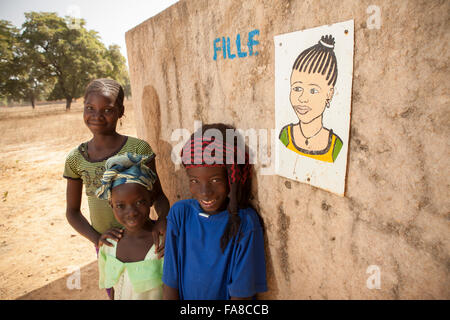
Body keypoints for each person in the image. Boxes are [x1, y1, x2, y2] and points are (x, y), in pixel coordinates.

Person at [63, 79, 169, 296]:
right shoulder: (76, 158)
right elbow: (72, 212)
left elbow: (158, 196)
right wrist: (97, 239)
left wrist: (163, 220)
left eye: (108, 110)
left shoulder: (138, 148)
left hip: (145, 240)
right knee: (117, 290)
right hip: (109, 246)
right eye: (90, 108)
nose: (97, 116)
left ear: (121, 111)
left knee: (153, 289)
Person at [162, 123, 267, 300]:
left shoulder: (244, 224)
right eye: (195, 181)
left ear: (232, 179)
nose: (205, 192)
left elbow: (242, 296)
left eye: (216, 180)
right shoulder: (180, 214)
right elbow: (171, 282)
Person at [96, 153, 164, 300]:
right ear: (111, 205)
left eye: (139, 202)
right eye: (120, 206)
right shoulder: (109, 245)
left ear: (151, 200)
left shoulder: (163, 245)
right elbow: (113, 289)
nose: (131, 213)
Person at [279, 35, 343, 163]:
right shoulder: (285, 136)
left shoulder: (336, 147)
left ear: (329, 94)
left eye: (313, 91)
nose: (302, 98)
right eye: (297, 88)